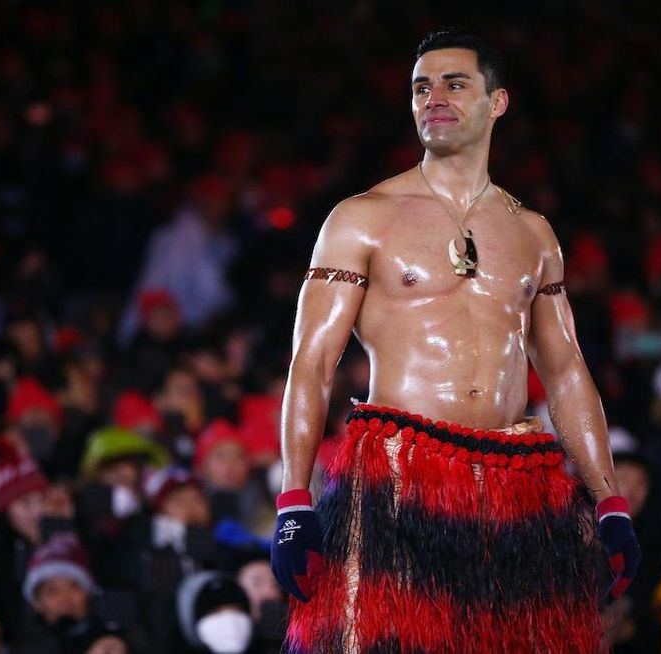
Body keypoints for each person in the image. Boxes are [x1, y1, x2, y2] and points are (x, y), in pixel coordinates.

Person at [270, 27, 641, 653]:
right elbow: (311, 363)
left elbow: (565, 370)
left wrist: (609, 501)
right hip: (397, 472)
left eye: (454, 84)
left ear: (497, 102)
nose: (434, 98)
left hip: (516, 481)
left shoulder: (534, 234)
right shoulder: (362, 218)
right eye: (421, 87)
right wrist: (293, 500)